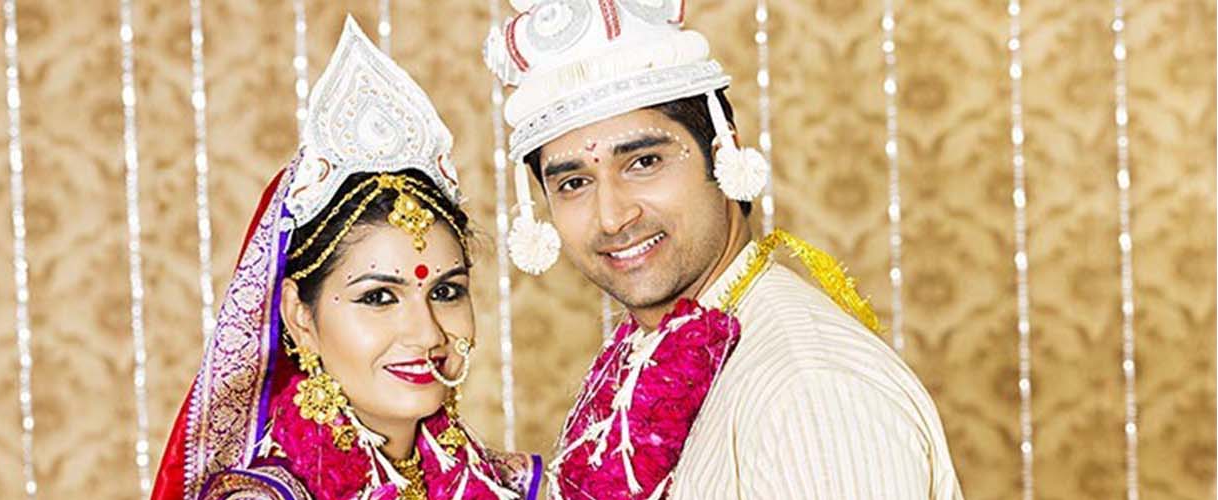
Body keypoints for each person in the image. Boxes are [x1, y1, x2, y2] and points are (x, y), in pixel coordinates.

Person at [482, 1, 965, 498]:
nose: (611, 216)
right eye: (574, 183)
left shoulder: (807, 391)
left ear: (722, 152)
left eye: (644, 162)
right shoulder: (640, 358)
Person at [148, 18, 544, 500]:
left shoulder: (496, 482)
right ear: (300, 318)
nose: (427, 334)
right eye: (378, 297)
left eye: (445, 291)